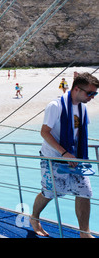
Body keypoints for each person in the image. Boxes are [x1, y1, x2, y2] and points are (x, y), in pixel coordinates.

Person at [30, 72, 98, 238]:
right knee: (50, 193)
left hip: (74, 159)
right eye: (89, 93)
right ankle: (34, 217)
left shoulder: (83, 108)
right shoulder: (55, 106)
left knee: (84, 191)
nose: (92, 97)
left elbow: (79, 134)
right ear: (76, 89)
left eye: (94, 94)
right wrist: (64, 153)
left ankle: (84, 233)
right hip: (53, 157)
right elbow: (45, 133)